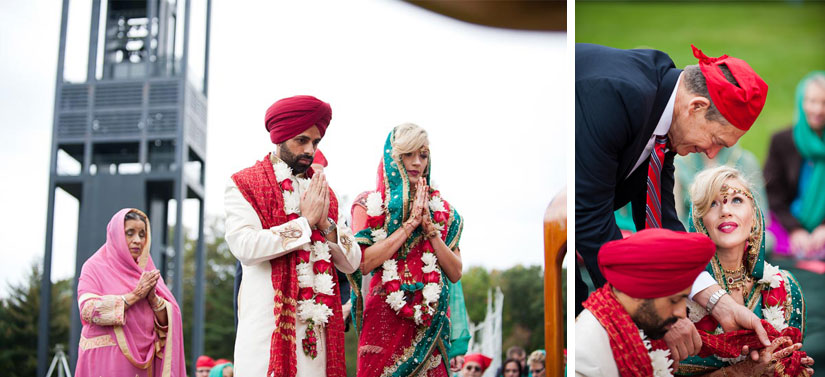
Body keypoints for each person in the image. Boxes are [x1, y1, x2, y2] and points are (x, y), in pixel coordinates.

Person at [575, 42, 772, 359]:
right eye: (715, 141)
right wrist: (659, 313)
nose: (710, 154)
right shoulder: (615, 95)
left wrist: (718, 301)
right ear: (696, 107)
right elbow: (588, 220)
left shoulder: (665, 110)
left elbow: (660, 220)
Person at [224, 95, 361, 377]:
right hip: (267, 334)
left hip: (317, 336)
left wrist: (327, 226)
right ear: (281, 137)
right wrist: (305, 225)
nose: (309, 150)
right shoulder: (245, 184)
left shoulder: (324, 191)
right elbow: (244, 246)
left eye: (316, 142)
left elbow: (353, 262)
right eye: (302, 140)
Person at [676, 166, 813, 376]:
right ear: (699, 221)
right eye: (713, 203)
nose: (725, 211)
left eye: (737, 200)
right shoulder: (681, 295)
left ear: (755, 216)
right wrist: (743, 371)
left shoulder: (785, 287)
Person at [351, 123, 464, 376]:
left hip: (431, 323)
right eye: (408, 155)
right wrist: (409, 225)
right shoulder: (368, 205)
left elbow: (456, 273)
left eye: (423, 155)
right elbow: (365, 262)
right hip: (384, 319)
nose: (417, 163)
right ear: (393, 158)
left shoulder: (444, 212)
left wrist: (430, 231)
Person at [575, 228, 716, 377]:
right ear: (636, 292)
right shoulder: (585, 359)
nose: (681, 313)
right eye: (674, 300)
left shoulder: (636, 323)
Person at [75, 209, 185, 377]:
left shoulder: (147, 271)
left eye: (142, 235)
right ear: (116, 235)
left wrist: (153, 300)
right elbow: (88, 310)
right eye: (130, 233)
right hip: (105, 360)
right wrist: (135, 296)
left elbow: (167, 323)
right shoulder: (94, 267)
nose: (137, 241)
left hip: (144, 364)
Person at [764, 72, 825, 258]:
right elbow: (773, 193)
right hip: (787, 222)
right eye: (812, 101)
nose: (818, 110)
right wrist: (795, 229)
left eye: (824, 103)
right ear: (801, 102)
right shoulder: (782, 141)